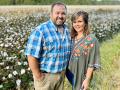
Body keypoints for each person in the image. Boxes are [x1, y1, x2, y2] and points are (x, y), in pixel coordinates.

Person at [24, 2, 71, 90]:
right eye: (57, 13)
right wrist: (38, 76)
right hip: (45, 77)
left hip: (61, 76)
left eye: (63, 13)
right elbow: (31, 56)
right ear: (51, 14)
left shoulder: (67, 30)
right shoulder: (40, 30)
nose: (60, 16)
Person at [67, 11, 100, 90]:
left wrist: (87, 80)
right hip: (70, 74)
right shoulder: (71, 38)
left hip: (82, 76)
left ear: (85, 23)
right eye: (74, 22)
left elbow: (91, 62)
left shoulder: (91, 39)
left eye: (80, 21)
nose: (76, 24)